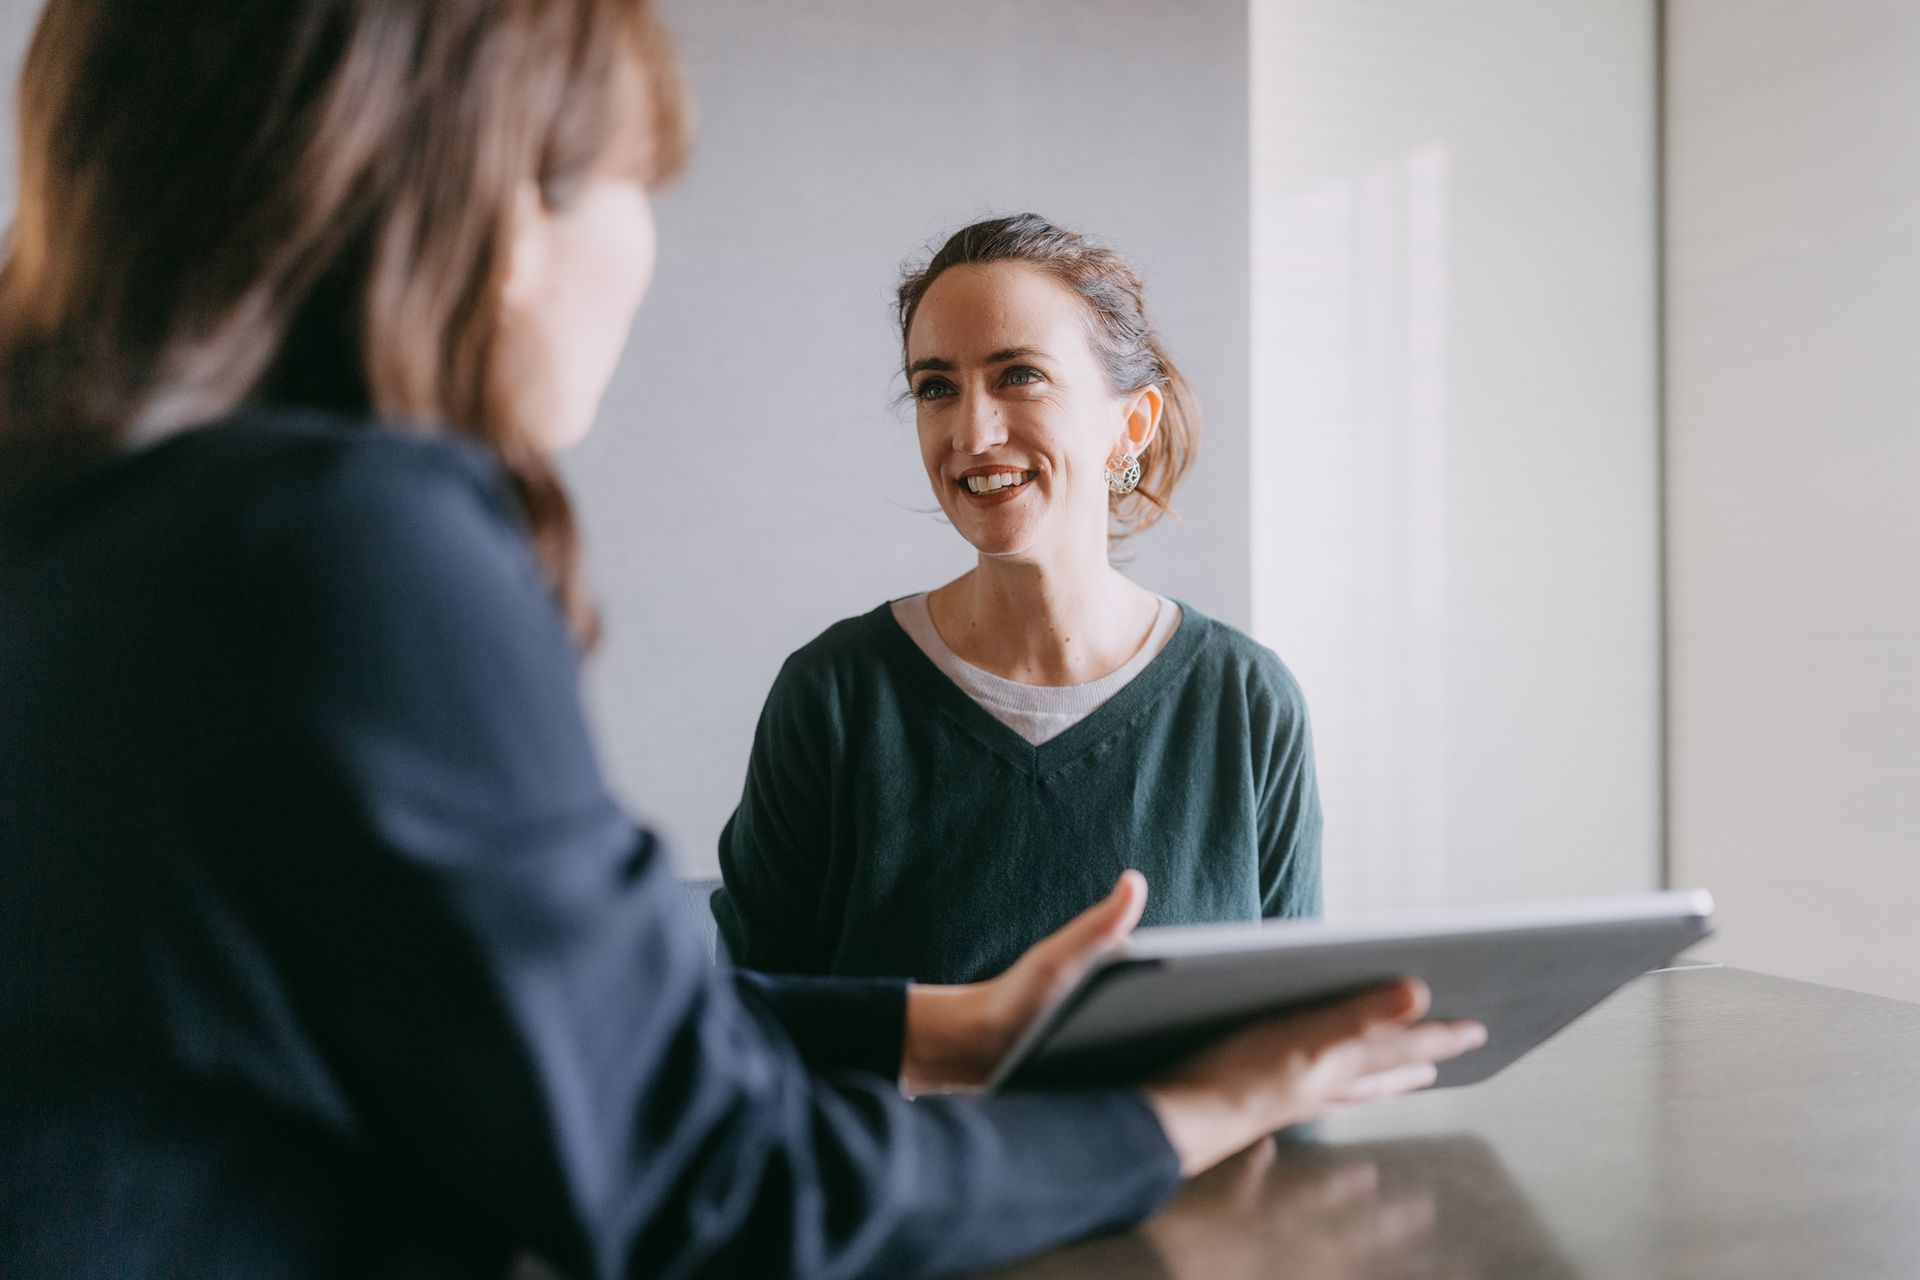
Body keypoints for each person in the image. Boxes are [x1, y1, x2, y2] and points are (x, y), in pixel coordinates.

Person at [0, 2, 1485, 1277]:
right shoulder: (345, 543)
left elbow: (584, 1024)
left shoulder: (110, 522)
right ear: (506, 208)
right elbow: (707, 1175)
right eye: (636, 183)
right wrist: (1183, 1118)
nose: (641, 254)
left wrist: (943, 1027)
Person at [713, 214, 1321, 986]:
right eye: (936, 387)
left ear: (1130, 424)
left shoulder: (1245, 701)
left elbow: (1293, 1041)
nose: (970, 431)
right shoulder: (834, 696)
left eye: (1018, 376)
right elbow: (742, 1032)